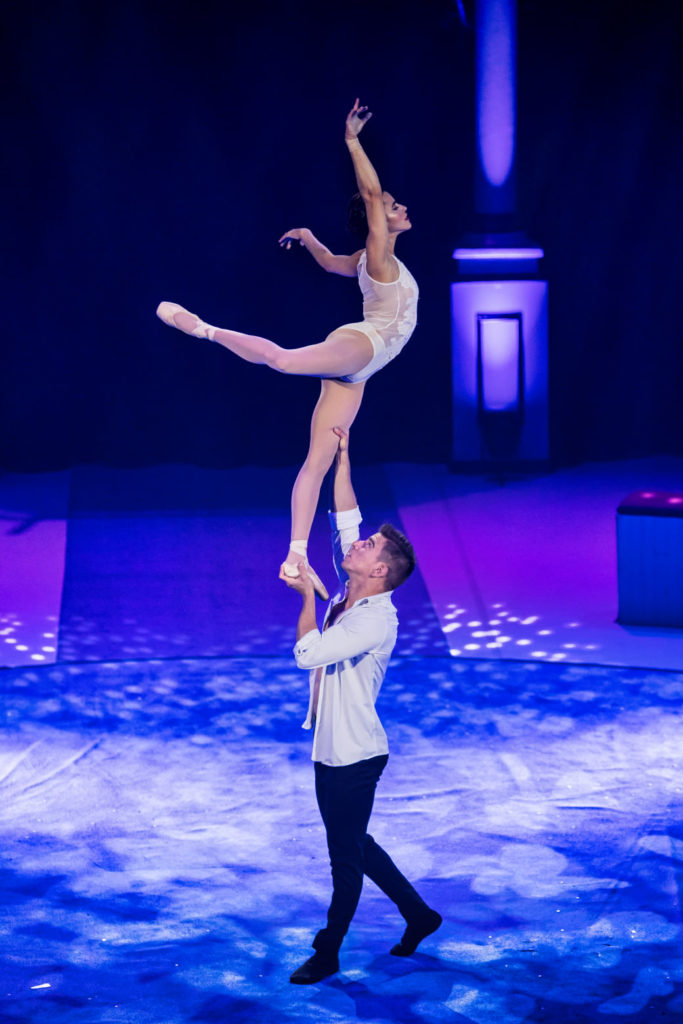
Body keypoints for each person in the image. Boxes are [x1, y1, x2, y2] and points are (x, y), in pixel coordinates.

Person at [156, 99, 418, 601]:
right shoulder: (379, 253)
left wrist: (307, 237)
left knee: (318, 460)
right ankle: (205, 329)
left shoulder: (367, 258)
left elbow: (330, 263)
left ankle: (296, 552)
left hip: (363, 372)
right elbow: (367, 194)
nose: (398, 206)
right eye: (390, 205)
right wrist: (352, 140)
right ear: (374, 218)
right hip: (363, 346)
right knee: (283, 359)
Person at [279, 426, 441, 985]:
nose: (358, 544)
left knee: (344, 861)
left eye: (369, 547)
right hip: (338, 751)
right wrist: (345, 457)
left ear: (379, 572)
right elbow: (345, 514)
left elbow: (308, 654)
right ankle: (420, 914)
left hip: (352, 759)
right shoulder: (354, 590)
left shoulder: (374, 619)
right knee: (355, 844)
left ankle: (328, 952)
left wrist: (305, 594)